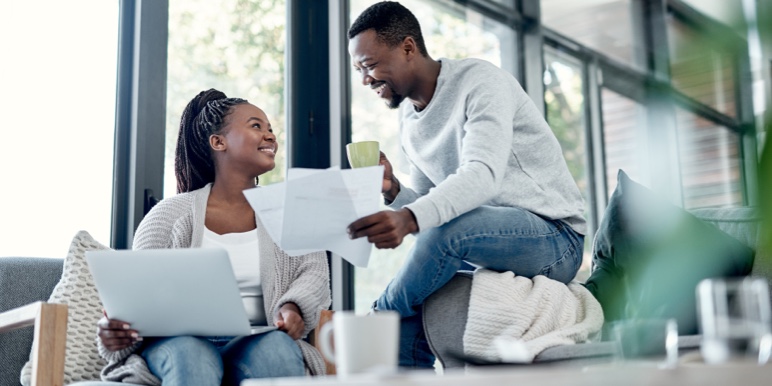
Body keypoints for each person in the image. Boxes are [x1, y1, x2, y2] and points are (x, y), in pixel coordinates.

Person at [346, 1, 587, 368]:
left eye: (371, 65)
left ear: (408, 48)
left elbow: (482, 175)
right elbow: (434, 204)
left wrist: (409, 218)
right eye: (359, 70)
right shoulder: (410, 119)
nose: (365, 79)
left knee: (446, 234)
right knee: (416, 307)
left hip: (555, 239)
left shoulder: (480, 81)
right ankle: (405, 364)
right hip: (488, 241)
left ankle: (378, 315)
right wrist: (395, 192)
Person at [96, 89, 331, 385]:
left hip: (256, 339)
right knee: (191, 354)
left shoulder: (290, 213)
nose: (271, 136)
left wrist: (293, 307)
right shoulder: (168, 215)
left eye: (271, 128)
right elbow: (136, 296)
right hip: (177, 343)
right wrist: (116, 332)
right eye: (256, 126)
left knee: (278, 351)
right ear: (218, 142)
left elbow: (314, 273)